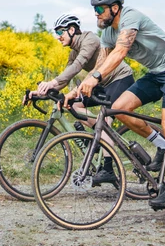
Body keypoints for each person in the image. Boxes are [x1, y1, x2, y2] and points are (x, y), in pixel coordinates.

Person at [77, 0, 165, 209]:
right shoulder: (108, 32)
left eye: (100, 8)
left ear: (114, 7)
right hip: (156, 74)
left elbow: (120, 52)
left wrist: (96, 77)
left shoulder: (130, 18)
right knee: (121, 108)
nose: (96, 13)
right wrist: (82, 87)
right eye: (94, 9)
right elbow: (101, 64)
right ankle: (161, 145)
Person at [36, 13, 135, 184]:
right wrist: (39, 92)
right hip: (100, 83)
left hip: (120, 79)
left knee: (106, 118)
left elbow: (77, 66)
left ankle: (108, 168)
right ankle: (99, 135)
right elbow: (64, 78)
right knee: (73, 105)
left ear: (72, 30)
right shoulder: (73, 52)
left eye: (60, 32)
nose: (58, 37)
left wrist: (53, 81)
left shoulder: (90, 40)